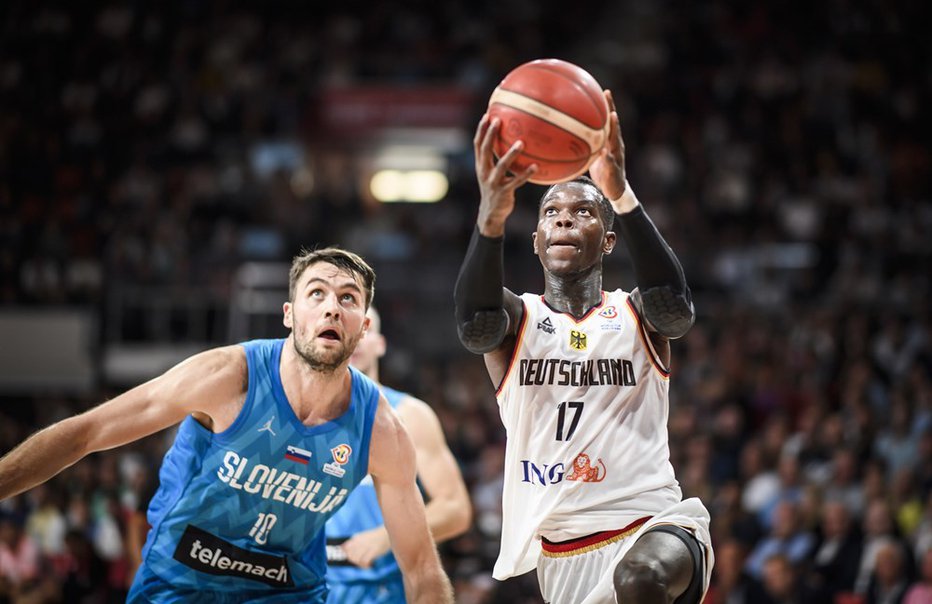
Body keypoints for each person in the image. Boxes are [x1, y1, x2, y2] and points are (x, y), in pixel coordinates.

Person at [0, 247, 454, 604]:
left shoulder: (382, 431)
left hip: (286, 591)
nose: (332, 308)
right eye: (316, 293)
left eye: (347, 298)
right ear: (289, 315)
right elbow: (86, 433)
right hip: (181, 581)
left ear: (362, 327)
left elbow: (420, 569)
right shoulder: (227, 376)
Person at [454, 91, 714, 603]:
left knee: (641, 579)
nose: (565, 219)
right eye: (551, 212)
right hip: (563, 546)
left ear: (609, 240)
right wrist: (490, 218)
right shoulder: (517, 319)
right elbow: (472, 327)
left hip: (654, 522)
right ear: (536, 240)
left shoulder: (636, 313)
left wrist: (622, 196)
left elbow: (677, 312)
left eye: (583, 211)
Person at [325, 306, 472, 602]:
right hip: (311, 586)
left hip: (381, 590)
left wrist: (386, 536)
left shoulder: (410, 414)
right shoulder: (303, 416)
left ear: (380, 344)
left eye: (363, 330)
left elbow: (455, 509)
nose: (354, 339)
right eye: (346, 331)